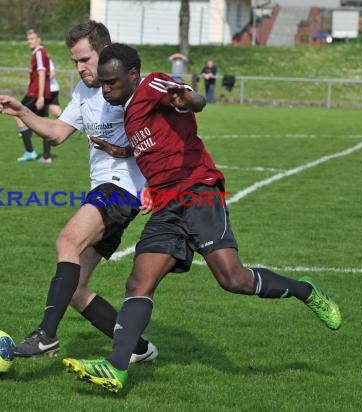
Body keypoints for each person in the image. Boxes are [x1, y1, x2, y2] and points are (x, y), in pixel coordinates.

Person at [62, 43, 342, 393]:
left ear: (132, 75)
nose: (106, 89)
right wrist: (123, 151)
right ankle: (116, 369)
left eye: (112, 82)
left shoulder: (154, 86)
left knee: (233, 279)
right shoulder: (130, 112)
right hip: (166, 207)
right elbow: (153, 142)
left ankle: (305, 290)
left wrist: (187, 99)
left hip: (198, 192)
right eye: (102, 83)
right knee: (138, 283)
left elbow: (193, 98)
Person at [0, 22, 158, 363]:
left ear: (105, 52)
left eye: (86, 59)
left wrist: (156, 185)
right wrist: (23, 112)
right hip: (106, 190)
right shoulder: (85, 92)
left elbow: (165, 132)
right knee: (76, 289)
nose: (81, 67)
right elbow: (56, 132)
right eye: (75, 62)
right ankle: (138, 348)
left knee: (66, 241)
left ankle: (45, 335)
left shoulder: (131, 89)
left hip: (121, 191)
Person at [15, 29, 53, 164]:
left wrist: (41, 96)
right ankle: (47, 157)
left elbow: (42, 74)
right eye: (28, 39)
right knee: (43, 124)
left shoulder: (38, 53)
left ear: (38, 39)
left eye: (32, 38)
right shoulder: (41, 53)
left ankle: (30, 152)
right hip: (38, 93)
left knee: (17, 113)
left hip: (35, 94)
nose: (29, 41)